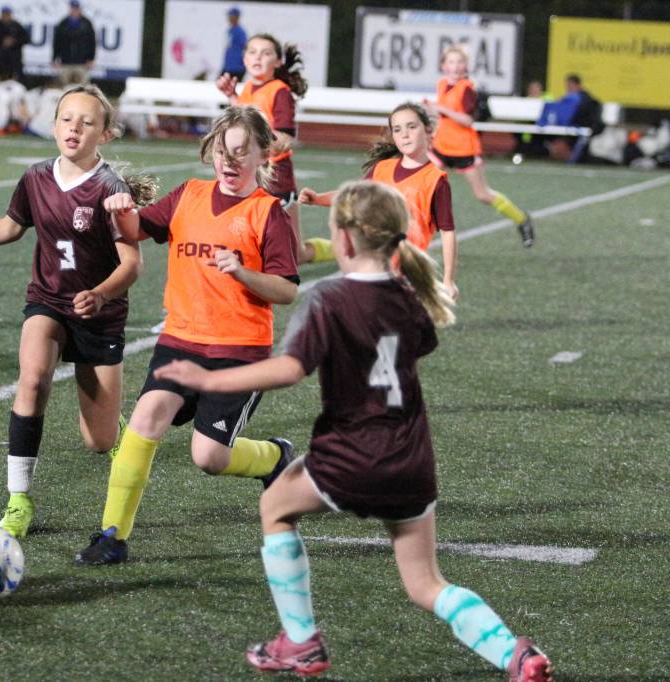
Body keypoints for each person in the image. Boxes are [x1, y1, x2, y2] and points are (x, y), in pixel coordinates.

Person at [153, 180, 554, 682]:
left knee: (275, 506)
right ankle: (516, 657)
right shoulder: (410, 296)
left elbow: (289, 369)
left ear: (343, 240)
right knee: (426, 583)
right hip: (411, 459)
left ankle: (300, 641)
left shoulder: (329, 299)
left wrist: (211, 379)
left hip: (350, 454)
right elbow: (419, 343)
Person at [0, 85, 153, 539]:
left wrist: (99, 294)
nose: (74, 128)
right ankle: (18, 499)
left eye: (86, 122)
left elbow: (133, 264)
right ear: (53, 124)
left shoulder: (111, 190)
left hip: (99, 314)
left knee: (98, 442)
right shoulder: (36, 177)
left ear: (106, 134)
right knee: (33, 378)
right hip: (48, 301)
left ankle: (114, 423)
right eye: (66, 119)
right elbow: (6, 227)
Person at [74, 105, 299, 566]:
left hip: (240, 352)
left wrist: (242, 273)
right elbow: (137, 228)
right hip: (180, 339)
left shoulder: (267, 212)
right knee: (145, 419)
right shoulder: (188, 195)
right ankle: (111, 535)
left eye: (241, 152)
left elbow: (288, 289)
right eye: (222, 151)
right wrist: (120, 212)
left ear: (263, 155)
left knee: (209, 457)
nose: (229, 162)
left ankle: (275, 458)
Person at [299, 102, 459, 300]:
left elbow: (447, 231)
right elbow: (354, 196)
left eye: (411, 127)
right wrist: (319, 199)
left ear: (428, 131)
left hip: (406, 274)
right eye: (397, 130)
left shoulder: (436, 180)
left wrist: (448, 279)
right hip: (371, 266)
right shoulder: (382, 168)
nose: (405, 134)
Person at [215, 34, 333, 265]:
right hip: (250, 174)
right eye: (252, 51)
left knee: (294, 254)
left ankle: (338, 248)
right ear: (244, 58)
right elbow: (244, 121)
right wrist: (232, 97)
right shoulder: (248, 87)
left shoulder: (279, 91)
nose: (258, 57)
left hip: (276, 177)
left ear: (277, 62)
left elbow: (286, 137)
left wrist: (256, 145)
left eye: (266, 52)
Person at [423, 45, 534, 247]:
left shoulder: (467, 89)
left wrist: (440, 108)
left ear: (466, 66)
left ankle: (522, 219)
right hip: (441, 146)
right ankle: (416, 235)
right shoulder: (441, 84)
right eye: (451, 62)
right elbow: (444, 115)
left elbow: (466, 120)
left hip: (464, 149)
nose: (455, 67)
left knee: (483, 195)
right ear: (443, 66)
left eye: (459, 62)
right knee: (424, 185)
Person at [52, 1, 96, 86]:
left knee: (84, 86)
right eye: (73, 8)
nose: (75, 10)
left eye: (76, 8)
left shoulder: (86, 23)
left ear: (80, 9)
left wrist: (91, 58)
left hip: (82, 62)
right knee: (64, 85)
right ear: (70, 9)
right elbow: (57, 42)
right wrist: (54, 58)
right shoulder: (63, 23)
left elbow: (92, 42)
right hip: (66, 61)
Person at [0, 5, 30, 82]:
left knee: (15, 80)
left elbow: (26, 39)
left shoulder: (17, 26)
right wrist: (2, 41)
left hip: (14, 61)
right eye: (4, 14)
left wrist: (14, 41)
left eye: (8, 14)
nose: (6, 16)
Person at [221, 7, 247, 82]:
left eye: (231, 16)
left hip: (237, 68)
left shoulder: (240, 32)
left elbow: (245, 48)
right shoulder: (230, 30)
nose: (229, 18)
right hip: (228, 66)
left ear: (237, 17)